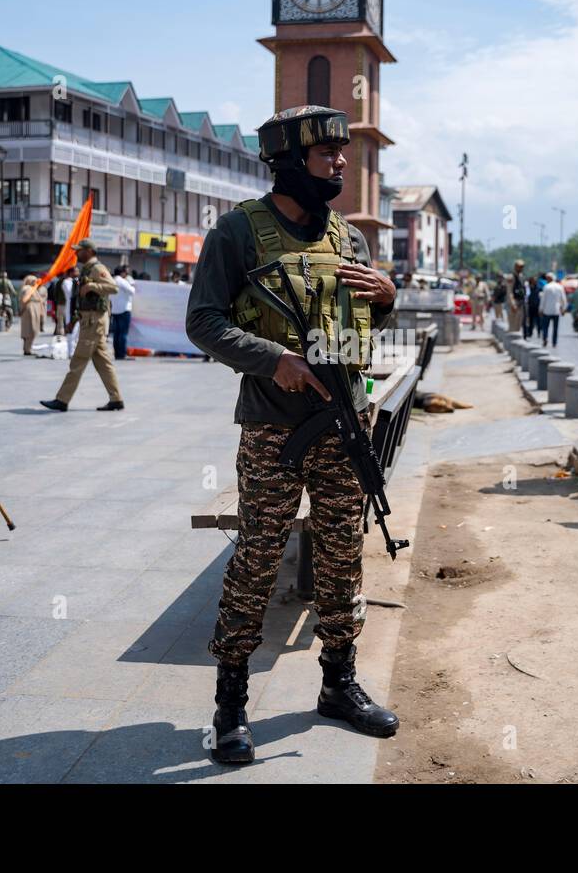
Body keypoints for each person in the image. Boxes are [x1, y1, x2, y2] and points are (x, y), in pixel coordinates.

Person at [185, 105, 400, 764]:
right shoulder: (238, 233)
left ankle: (339, 684)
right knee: (256, 556)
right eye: (326, 153)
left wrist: (388, 297)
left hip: (343, 421)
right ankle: (230, 705)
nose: (340, 163)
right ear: (288, 162)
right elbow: (203, 322)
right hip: (274, 428)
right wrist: (272, 358)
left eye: (343, 152)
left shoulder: (348, 237)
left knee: (342, 555)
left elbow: (362, 322)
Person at [40, 242, 124, 412]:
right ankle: (116, 399)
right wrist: (75, 319)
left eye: (80, 251)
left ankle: (62, 400)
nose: (76, 253)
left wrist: (93, 286)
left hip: (94, 322)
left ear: (89, 251)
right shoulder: (86, 269)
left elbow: (113, 288)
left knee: (78, 361)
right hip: (89, 320)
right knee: (103, 363)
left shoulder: (96, 268)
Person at [110, 264, 136, 360]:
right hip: (124, 309)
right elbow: (132, 291)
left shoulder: (112, 280)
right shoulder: (122, 281)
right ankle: (122, 354)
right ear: (122, 273)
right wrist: (131, 284)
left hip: (115, 310)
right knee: (123, 333)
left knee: (116, 334)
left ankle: (117, 353)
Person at [19, 274, 46, 356]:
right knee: (31, 330)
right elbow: (24, 300)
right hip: (31, 310)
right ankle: (27, 349)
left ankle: (27, 348)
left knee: (28, 330)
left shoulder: (30, 288)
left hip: (31, 309)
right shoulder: (28, 289)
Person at [539, 271, 567, 347]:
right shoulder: (559, 287)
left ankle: (545, 339)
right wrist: (563, 309)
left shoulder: (546, 287)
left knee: (545, 327)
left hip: (547, 310)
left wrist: (541, 309)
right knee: (555, 328)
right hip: (556, 311)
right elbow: (563, 299)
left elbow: (543, 300)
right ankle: (554, 342)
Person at [508, 259, 526, 332]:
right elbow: (509, 291)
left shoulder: (521, 277)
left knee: (518, 325)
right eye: (519, 266)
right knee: (513, 326)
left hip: (520, 302)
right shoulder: (511, 277)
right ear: (515, 267)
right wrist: (513, 304)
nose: (521, 268)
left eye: (522, 267)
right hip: (515, 303)